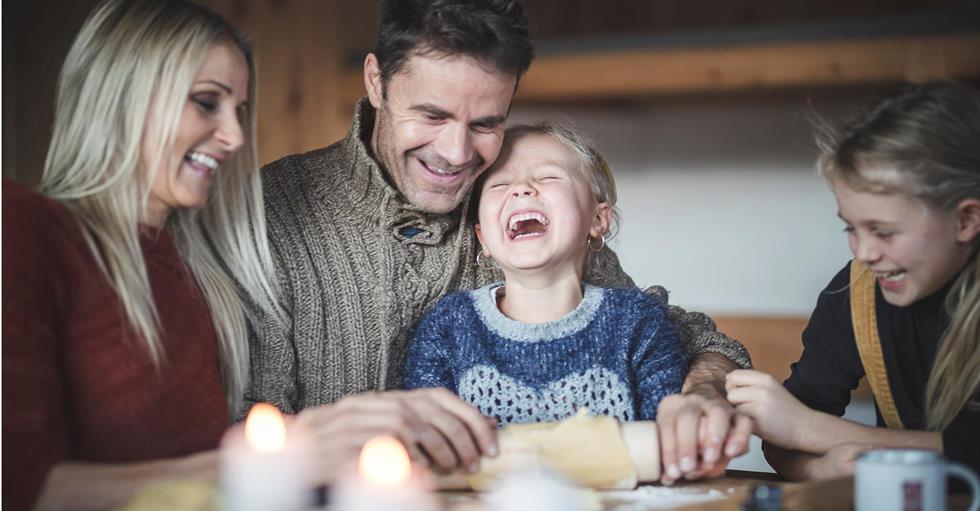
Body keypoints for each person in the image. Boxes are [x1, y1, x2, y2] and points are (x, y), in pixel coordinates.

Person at [249, 0, 752, 484]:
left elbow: (694, 342)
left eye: (486, 123)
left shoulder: (508, 203)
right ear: (377, 81)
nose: (455, 153)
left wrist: (704, 393)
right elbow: (245, 428)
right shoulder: (272, 210)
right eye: (432, 115)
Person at [2, 0, 282, 509]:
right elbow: (21, 488)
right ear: (123, 97)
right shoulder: (27, 230)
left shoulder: (197, 273)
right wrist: (269, 463)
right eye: (206, 102)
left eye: (237, 110)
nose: (235, 136)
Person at [726, 81, 980, 480]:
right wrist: (820, 469)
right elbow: (784, 437)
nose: (863, 253)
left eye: (884, 232)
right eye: (852, 228)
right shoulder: (857, 290)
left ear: (966, 220)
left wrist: (809, 429)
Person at [404, 123, 687, 425]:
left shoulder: (638, 322)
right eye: (499, 184)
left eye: (548, 177)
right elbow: (425, 437)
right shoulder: (448, 327)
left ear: (598, 219)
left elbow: (667, 435)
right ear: (483, 236)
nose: (521, 188)